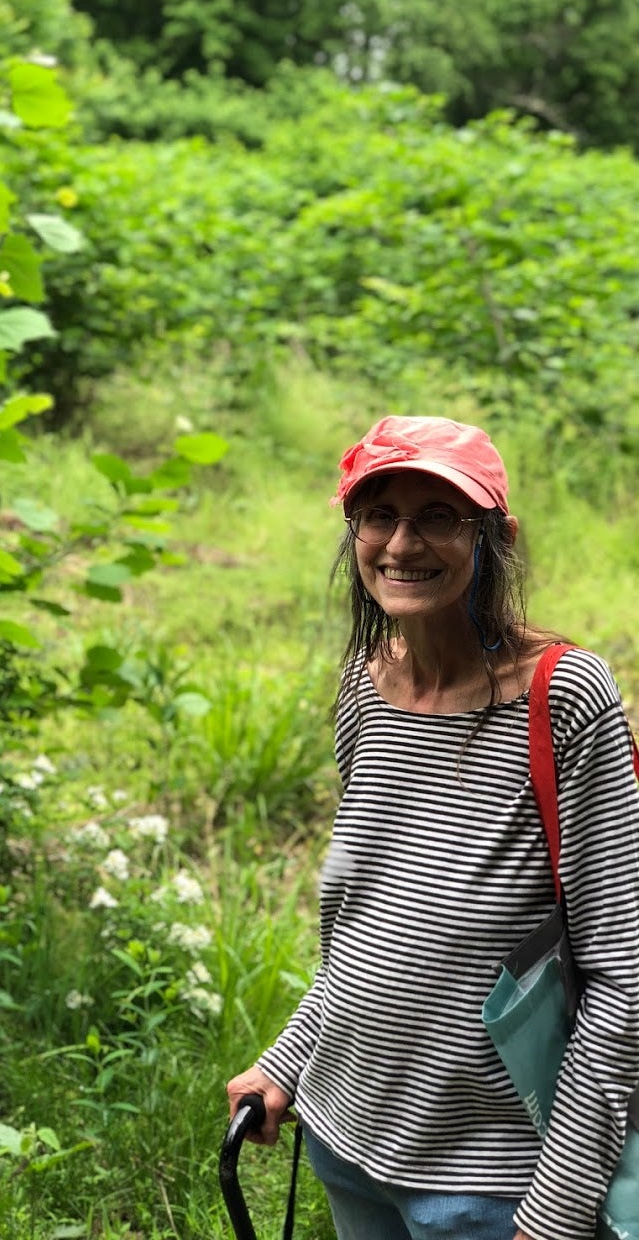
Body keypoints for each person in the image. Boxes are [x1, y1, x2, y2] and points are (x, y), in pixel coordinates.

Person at [226, 414, 639, 1240]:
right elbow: (367, 927)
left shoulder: (563, 696)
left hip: (491, 1185)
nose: (402, 543)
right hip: (345, 1137)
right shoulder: (365, 685)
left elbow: (622, 976)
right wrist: (287, 1059)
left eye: (439, 516)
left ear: (496, 536)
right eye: (380, 515)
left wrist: (558, 1205)